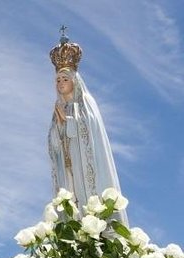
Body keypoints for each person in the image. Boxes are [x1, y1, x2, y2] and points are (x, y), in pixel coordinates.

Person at [47, 29, 128, 225]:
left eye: (65, 79)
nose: (60, 83)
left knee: (89, 207)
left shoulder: (85, 103)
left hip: (86, 169)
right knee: (70, 207)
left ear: (74, 81)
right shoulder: (58, 108)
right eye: (58, 80)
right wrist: (58, 130)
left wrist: (69, 123)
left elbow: (91, 130)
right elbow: (53, 144)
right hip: (68, 169)